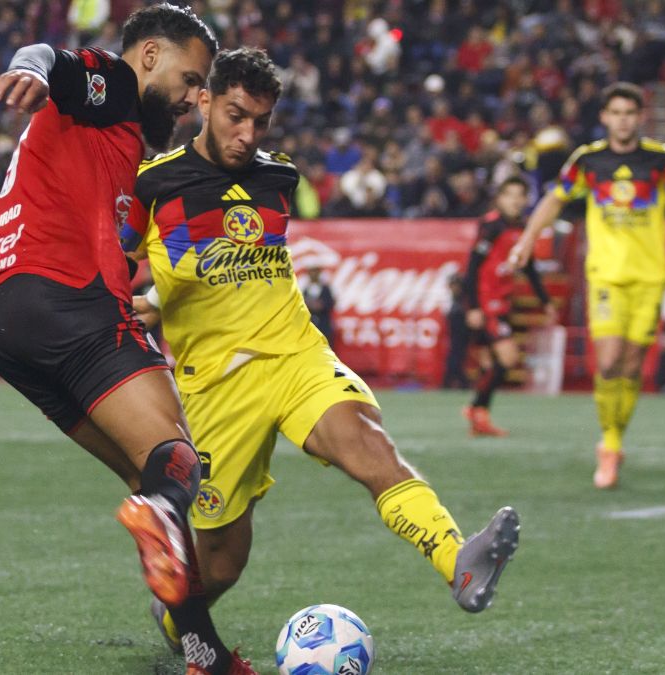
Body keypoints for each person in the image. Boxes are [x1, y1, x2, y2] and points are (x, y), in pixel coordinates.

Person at [123, 49, 520, 653]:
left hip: (295, 354)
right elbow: (121, 267)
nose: (248, 134)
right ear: (204, 101)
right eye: (235, 115)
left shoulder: (278, 178)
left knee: (370, 444)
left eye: (261, 121)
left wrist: (166, 292)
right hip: (216, 387)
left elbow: (240, 262)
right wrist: (146, 302)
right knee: (223, 561)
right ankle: (177, 620)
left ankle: (457, 561)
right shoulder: (153, 184)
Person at [0, 8, 253, 674]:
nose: (193, 98)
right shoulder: (118, 87)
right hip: (67, 297)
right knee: (178, 460)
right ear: (150, 55)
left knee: (147, 472)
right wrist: (31, 66)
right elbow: (61, 63)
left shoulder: (115, 139)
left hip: (3, 314)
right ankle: (165, 531)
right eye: (191, 79)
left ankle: (203, 653)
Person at [510, 82, 665, 489]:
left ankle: (615, 439)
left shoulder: (660, 160)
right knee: (609, 362)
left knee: (632, 365)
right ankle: (609, 446)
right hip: (606, 275)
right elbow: (555, 198)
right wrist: (527, 239)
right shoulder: (588, 160)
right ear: (605, 118)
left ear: (639, 118)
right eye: (616, 113)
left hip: (650, 277)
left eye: (630, 113)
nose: (623, 121)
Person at [461, 176, 555, 436]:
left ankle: (478, 415)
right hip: (487, 304)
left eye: (519, 196)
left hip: (502, 302)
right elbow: (472, 268)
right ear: (499, 199)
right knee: (508, 357)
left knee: (491, 364)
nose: (514, 201)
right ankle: (476, 409)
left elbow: (529, 267)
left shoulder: (523, 229)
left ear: (526, 200)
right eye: (509, 195)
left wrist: (545, 301)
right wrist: (473, 306)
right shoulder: (491, 226)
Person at [301, 266, 335, 347]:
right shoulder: (305, 289)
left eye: (315, 271)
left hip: (324, 326)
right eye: (311, 271)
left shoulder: (325, 288)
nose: (313, 274)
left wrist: (321, 305)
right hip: (311, 327)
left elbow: (331, 303)